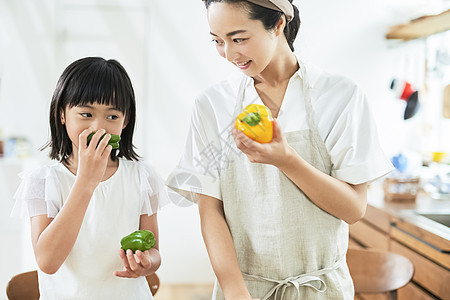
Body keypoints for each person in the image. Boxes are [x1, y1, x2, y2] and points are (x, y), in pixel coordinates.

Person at [166, 0, 393, 299]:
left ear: (278, 24)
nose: (229, 54)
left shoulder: (339, 97)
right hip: (246, 289)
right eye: (218, 41)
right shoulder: (213, 104)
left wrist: (288, 161)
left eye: (239, 39)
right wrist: (235, 291)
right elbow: (210, 210)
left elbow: (353, 209)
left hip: (320, 290)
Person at [11, 57, 169, 299]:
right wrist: (86, 180)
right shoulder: (43, 181)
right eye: (86, 114)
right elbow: (48, 261)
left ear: (126, 120)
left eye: (112, 117)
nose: (99, 127)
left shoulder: (142, 177)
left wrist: (148, 263)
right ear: (62, 114)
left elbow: (154, 251)